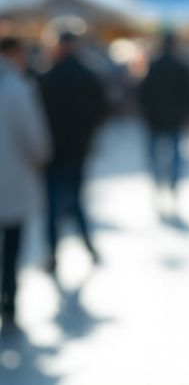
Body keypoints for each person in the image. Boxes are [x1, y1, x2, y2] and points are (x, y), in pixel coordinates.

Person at [38, 29, 108, 275]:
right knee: (76, 201)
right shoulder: (88, 75)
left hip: (52, 151)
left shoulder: (47, 76)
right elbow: (102, 110)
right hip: (77, 150)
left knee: (53, 205)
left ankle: (53, 254)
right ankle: (88, 246)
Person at [0, 37, 51, 336]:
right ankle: (9, 302)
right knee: (12, 246)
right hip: (12, 182)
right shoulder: (17, 88)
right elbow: (36, 140)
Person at [136, 32, 189, 206]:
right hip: (175, 118)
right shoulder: (181, 66)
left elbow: (142, 93)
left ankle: (158, 181)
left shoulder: (153, 66)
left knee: (155, 154)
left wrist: (145, 113)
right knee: (176, 154)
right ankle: (172, 183)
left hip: (155, 118)